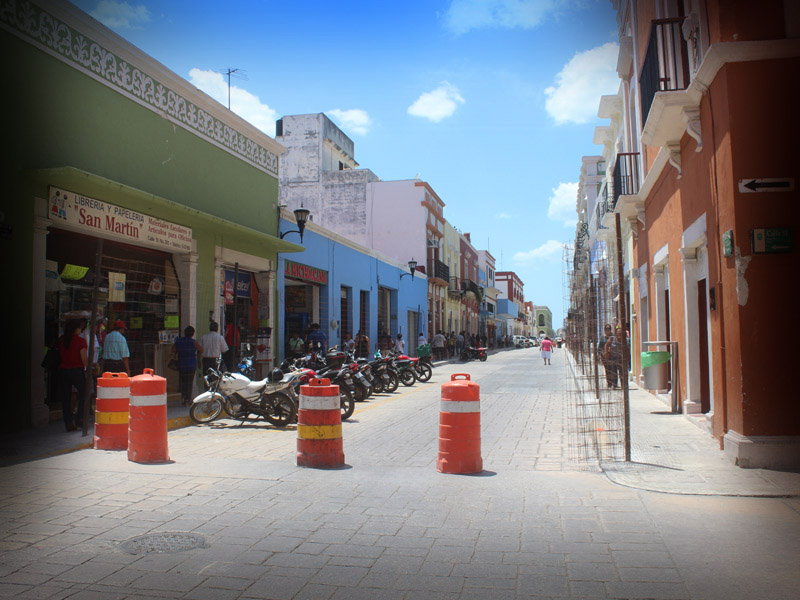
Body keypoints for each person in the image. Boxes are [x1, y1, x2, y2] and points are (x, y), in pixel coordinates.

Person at [58, 319, 87, 431]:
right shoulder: (80, 341)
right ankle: (80, 418)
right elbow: (84, 359)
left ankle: (68, 422)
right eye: (79, 328)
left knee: (66, 397)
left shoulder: (61, 340)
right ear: (76, 329)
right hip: (76, 370)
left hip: (63, 370)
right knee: (84, 393)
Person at [173, 326, 203, 406]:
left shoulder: (179, 341)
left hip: (181, 364)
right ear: (192, 334)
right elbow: (201, 350)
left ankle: (183, 397)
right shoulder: (194, 342)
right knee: (189, 383)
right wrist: (199, 360)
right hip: (191, 365)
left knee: (183, 382)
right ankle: (187, 399)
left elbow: (173, 350)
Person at [599, 324, 622, 389]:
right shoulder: (602, 338)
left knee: (613, 370)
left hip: (612, 356)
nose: (607, 331)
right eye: (606, 330)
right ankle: (609, 383)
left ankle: (614, 383)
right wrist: (602, 354)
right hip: (605, 357)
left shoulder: (613, 337)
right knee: (608, 370)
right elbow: (599, 348)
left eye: (609, 330)